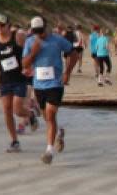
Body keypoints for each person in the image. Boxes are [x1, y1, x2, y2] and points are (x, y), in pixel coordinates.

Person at [22, 16, 78, 165]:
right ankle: (59, 132)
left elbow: (74, 53)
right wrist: (33, 52)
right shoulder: (30, 42)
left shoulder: (57, 40)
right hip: (39, 85)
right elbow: (24, 65)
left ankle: (49, 151)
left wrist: (67, 73)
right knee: (47, 117)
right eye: (36, 31)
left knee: (51, 114)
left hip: (55, 84)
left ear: (46, 27)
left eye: (40, 31)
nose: (39, 34)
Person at [0, 14, 34, 153]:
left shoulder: (18, 36)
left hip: (19, 78)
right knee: (7, 110)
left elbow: (31, 49)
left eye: (2, 25)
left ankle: (30, 114)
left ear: (8, 25)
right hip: (5, 80)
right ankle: (14, 141)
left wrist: (31, 65)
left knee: (17, 110)